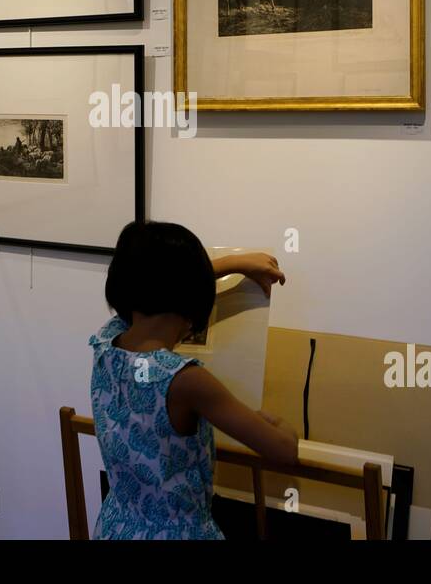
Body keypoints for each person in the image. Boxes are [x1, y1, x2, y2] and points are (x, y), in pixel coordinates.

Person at [88, 220, 295, 539]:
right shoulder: (186, 380)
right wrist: (274, 422)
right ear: (195, 299)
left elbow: (150, 276)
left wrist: (234, 264)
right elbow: (283, 451)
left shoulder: (104, 344)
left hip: (116, 525)